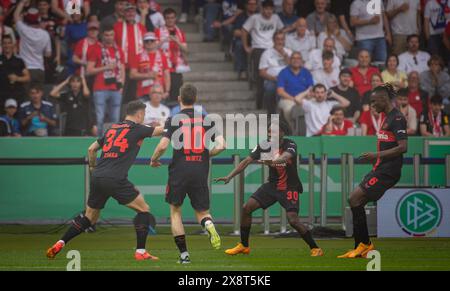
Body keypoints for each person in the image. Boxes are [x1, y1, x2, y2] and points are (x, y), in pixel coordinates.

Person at [46, 100, 164, 261]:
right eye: (144, 114)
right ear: (139, 114)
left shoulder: (112, 128)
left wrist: (93, 168)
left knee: (89, 218)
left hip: (98, 176)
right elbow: (161, 131)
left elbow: (91, 149)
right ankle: (141, 252)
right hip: (115, 178)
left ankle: (61, 242)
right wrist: (174, 123)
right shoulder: (137, 128)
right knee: (143, 210)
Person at [215, 120, 323, 257]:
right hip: (272, 186)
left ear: (282, 133)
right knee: (246, 208)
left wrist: (272, 162)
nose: (271, 134)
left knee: (293, 220)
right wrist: (229, 176)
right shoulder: (263, 145)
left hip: (289, 187)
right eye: (270, 131)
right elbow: (246, 161)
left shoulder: (290, 144)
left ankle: (315, 248)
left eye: (275, 131)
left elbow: (285, 157)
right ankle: (244, 245)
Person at [150, 84, 226, 264]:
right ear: (196, 99)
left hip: (180, 171)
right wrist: (206, 154)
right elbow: (222, 145)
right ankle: (208, 224)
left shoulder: (174, 119)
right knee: (202, 211)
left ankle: (184, 255)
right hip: (200, 170)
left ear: (179, 99)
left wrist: (153, 159)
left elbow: (162, 146)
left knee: (176, 211)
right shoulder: (207, 120)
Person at [338, 84, 408, 258]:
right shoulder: (386, 116)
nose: (372, 105)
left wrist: (375, 155)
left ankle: (364, 245)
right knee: (355, 201)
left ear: (384, 99)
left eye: (374, 101)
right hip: (380, 168)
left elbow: (403, 147)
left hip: (388, 171)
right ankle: (362, 246)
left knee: (354, 198)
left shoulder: (397, 118)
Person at [242, 0, 285, 109]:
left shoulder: (275, 18)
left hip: (272, 48)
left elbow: (282, 30)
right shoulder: (255, 18)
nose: (268, 11)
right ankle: (260, 104)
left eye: (270, 9)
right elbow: (244, 30)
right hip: (258, 49)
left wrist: (281, 45)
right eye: (266, 9)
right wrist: (246, 46)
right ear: (261, 9)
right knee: (260, 77)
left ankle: (272, 104)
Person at [86, 25, 125, 136]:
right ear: (102, 36)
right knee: (100, 118)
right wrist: (105, 67)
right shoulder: (96, 49)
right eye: (107, 35)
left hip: (116, 88)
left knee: (115, 119)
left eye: (111, 35)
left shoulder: (119, 51)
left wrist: (121, 86)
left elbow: (122, 70)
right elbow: (89, 70)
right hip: (100, 88)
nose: (109, 37)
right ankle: (98, 143)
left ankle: (113, 143)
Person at [155, 8, 190, 105]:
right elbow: (153, 48)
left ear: (175, 18)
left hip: (175, 69)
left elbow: (186, 50)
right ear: (164, 19)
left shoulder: (180, 33)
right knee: (163, 96)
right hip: (162, 69)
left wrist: (177, 41)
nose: (170, 20)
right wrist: (164, 40)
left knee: (175, 97)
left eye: (172, 18)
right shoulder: (158, 31)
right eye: (168, 18)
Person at [14, 0, 52, 85]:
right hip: (39, 69)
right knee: (38, 96)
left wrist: (22, 3)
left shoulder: (23, 30)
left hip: (25, 69)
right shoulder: (45, 34)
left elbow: (16, 16)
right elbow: (48, 54)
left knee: (26, 96)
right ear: (38, 19)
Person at [277, 52, 314, 131]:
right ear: (290, 60)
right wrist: (294, 99)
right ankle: (292, 129)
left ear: (301, 61)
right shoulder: (283, 72)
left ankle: (311, 129)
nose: (296, 60)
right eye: (293, 58)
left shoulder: (306, 72)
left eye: (298, 58)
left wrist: (307, 96)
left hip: (304, 98)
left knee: (315, 106)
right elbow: (280, 91)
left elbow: (311, 88)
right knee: (288, 109)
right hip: (288, 99)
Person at [130, 32, 170, 101]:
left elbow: (167, 75)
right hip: (143, 93)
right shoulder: (137, 57)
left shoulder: (163, 57)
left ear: (155, 42)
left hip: (159, 92)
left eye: (152, 40)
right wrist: (148, 75)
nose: (149, 42)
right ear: (143, 43)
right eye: (147, 41)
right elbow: (132, 75)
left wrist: (167, 91)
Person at [259, 31, 292, 114]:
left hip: (288, 81)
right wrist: (273, 78)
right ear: (273, 40)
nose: (280, 42)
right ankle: (272, 115)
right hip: (272, 80)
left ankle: (283, 116)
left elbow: (294, 67)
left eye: (282, 39)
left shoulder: (289, 52)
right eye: (278, 39)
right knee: (270, 89)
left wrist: (285, 55)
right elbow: (262, 72)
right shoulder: (266, 53)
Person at [0, 35, 30, 109]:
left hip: (17, 94)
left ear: (12, 45)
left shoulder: (19, 61)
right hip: (2, 95)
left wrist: (17, 78)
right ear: (1, 45)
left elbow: (27, 77)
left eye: (9, 43)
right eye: (5, 43)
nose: (7, 45)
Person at [232, 0, 258, 80]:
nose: (252, 6)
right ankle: (242, 70)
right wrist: (249, 33)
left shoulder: (260, 16)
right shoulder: (241, 16)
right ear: (246, 5)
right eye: (250, 4)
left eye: (254, 4)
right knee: (239, 44)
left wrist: (245, 32)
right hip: (244, 41)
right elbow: (236, 32)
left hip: (258, 41)